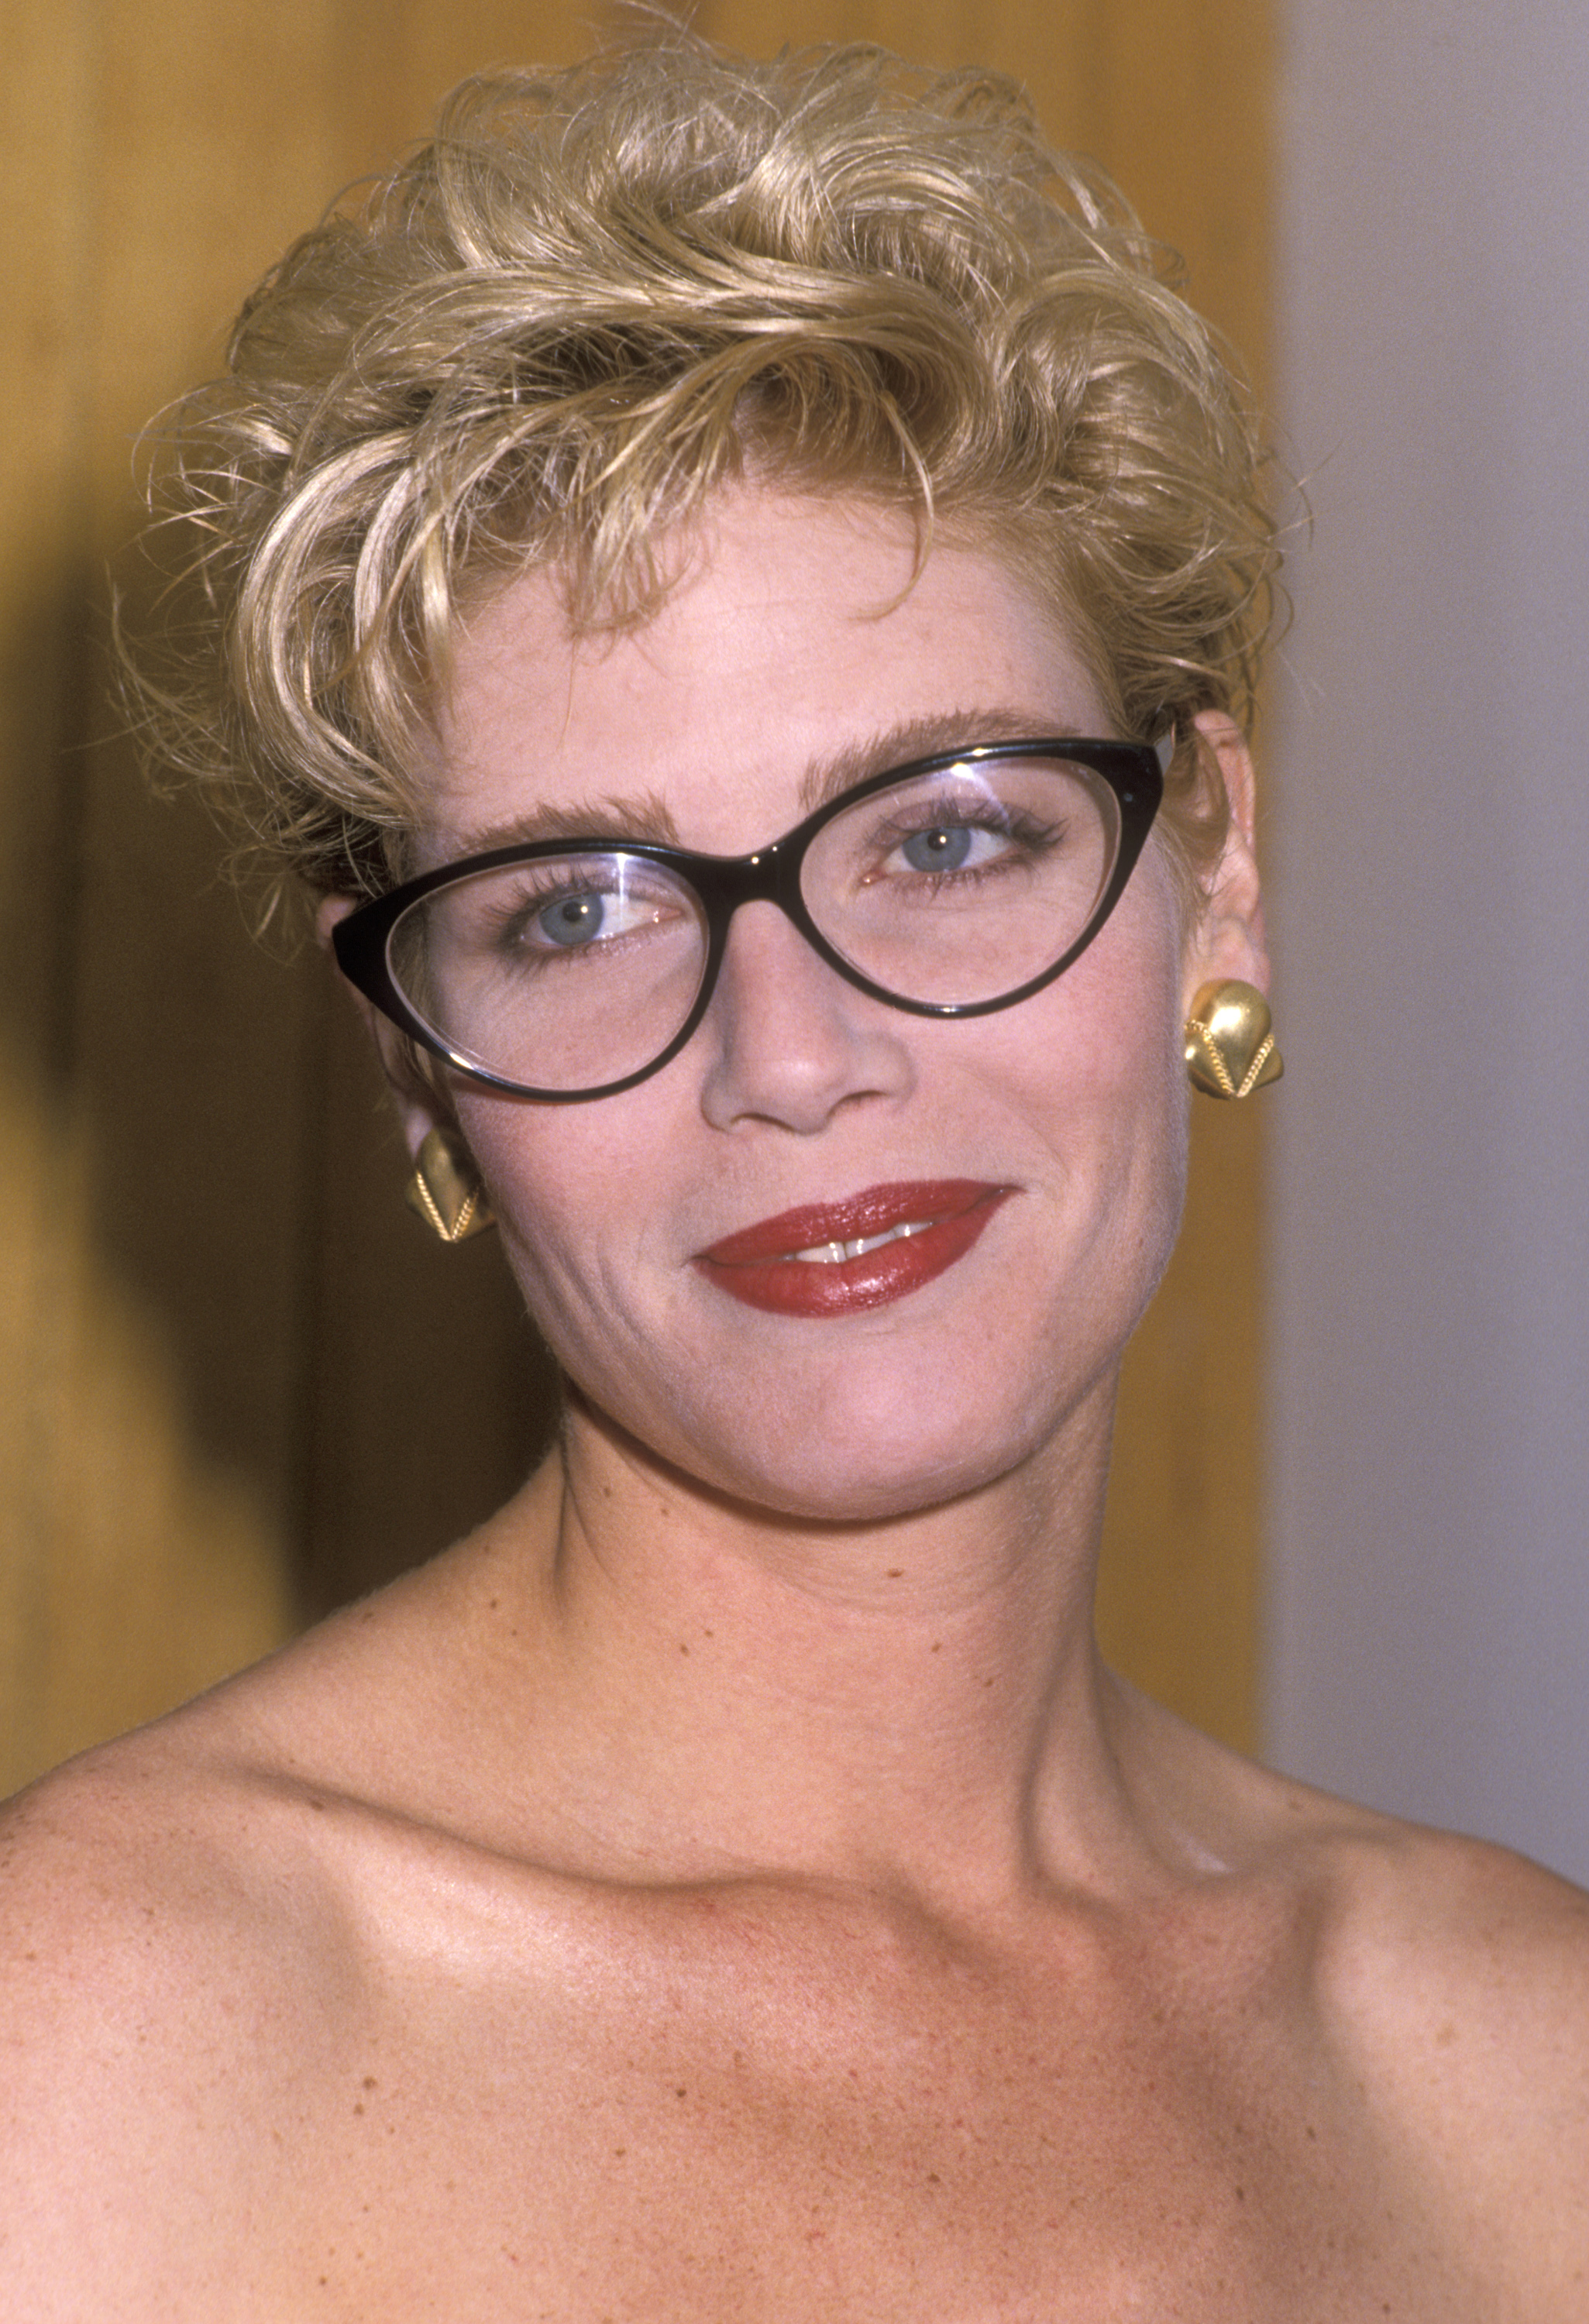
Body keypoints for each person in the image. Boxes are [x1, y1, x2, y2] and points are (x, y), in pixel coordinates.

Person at [2, 28, 1585, 2319]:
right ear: (421, 1074)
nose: (791, 1056)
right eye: (574, 907)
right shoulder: (117, 2048)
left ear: (1210, 871)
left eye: (944, 836)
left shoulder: (1512, 2073)